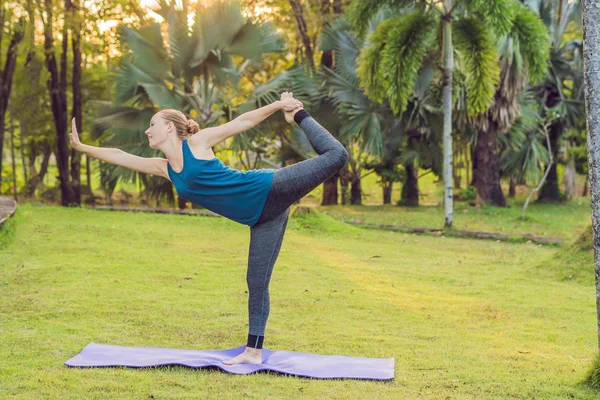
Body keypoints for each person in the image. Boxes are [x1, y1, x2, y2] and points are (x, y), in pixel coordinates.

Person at [69, 92, 348, 365]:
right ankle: (253, 351)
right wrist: (83, 148)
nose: (146, 131)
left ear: (169, 127)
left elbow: (240, 123)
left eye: (151, 125)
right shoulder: (165, 168)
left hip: (270, 187)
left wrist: (280, 106)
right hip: (262, 218)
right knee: (257, 282)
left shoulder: (197, 144)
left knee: (336, 155)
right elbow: (120, 155)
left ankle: (298, 115)